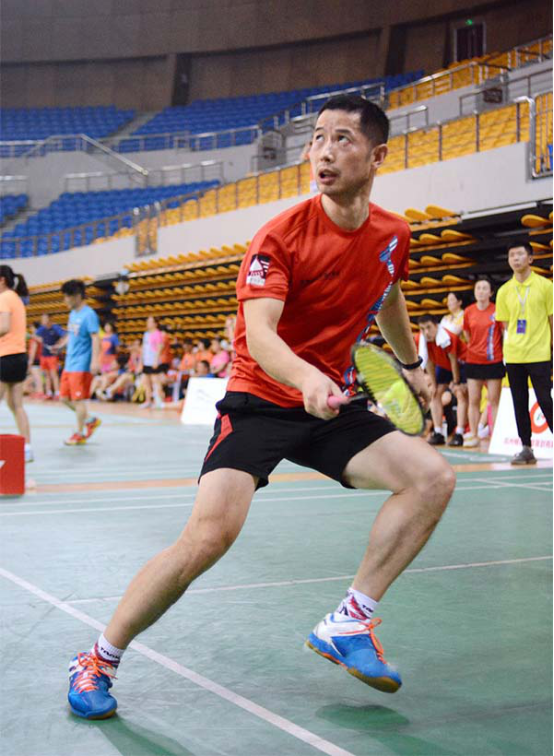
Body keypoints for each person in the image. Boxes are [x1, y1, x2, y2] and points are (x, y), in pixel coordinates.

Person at [67, 93, 455, 721]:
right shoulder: (280, 235)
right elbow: (261, 334)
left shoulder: (394, 233)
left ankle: (348, 622)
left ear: (378, 156)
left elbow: (388, 293)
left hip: (329, 403)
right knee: (208, 537)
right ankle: (97, 659)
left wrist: (410, 363)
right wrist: (306, 378)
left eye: (343, 139)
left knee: (431, 478)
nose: (324, 151)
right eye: (318, 137)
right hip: (262, 399)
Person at [495, 242, 553, 465]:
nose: (515, 258)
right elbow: (506, 326)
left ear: (530, 258)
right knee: (519, 402)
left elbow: (551, 320)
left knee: (545, 400)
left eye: (520, 254)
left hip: (539, 354)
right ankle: (526, 448)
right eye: (512, 255)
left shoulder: (545, 286)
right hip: (514, 356)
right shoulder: (503, 291)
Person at [56, 280, 101, 446]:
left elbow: (95, 338)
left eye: (67, 296)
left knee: (78, 400)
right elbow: (71, 334)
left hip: (81, 364)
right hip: (69, 363)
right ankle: (90, 420)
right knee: (63, 398)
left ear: (77, 296)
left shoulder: (89, 315)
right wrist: (60, 345)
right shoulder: (73, 314)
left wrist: (95, 361)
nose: (65, 300)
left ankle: (80, 433)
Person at [462, 279, 504, 448]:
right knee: (474, 399)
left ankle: (495, 435)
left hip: (494, 360)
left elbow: (502, 333)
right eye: (478, 288)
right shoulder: (468, 311)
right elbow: (467, 334)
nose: (480, 291)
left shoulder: (497, 310)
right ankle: (473, 434)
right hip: (473, 360)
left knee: (493, 400)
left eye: (484, 288)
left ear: (491, 293)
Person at [418, 314, 468, 446]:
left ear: (436, 326)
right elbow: (429, 363)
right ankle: (438, 432)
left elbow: (454, 361)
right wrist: (434, 384)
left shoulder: (448, 337)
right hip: (443, 365)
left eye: (428, 327)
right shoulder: (422, 340)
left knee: (460, 394)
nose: (426, 332)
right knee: (434, 394)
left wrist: (456, 382)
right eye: (422, 329)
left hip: (461, 363)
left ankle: (459, 433)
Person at [0, 265, 33, 462]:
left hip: (5, 356)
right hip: (19, 356)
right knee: (16, 405)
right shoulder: (16, 298)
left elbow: (4, 327)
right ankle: (27, 448)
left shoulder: (4, 298)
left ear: (2, 280)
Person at [35, 312, 65, 398]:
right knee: (46, 375)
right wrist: (39, 339)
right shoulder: (41, 329)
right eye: (42, 319)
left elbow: (65, 336)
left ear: (49, 319)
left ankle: (57, 393)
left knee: (54, 374)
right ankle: (49, 393)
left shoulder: (56, 328)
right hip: (44, 355)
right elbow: (35, 335)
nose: (43, 321)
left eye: (44, 319)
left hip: (52, 356)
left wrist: (58, 345)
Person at [140, 316, 163, 408]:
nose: (148, 323)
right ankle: (148, 400)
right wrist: (141, 360)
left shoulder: (158, 333)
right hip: (146, 361)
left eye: (150, 322)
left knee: (155, 381)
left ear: (155, 324)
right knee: (145, 381)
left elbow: (160, 347)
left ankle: (159, 401)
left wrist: (156, 360)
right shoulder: (146, 334)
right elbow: (144, 348)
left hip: (153, 360)